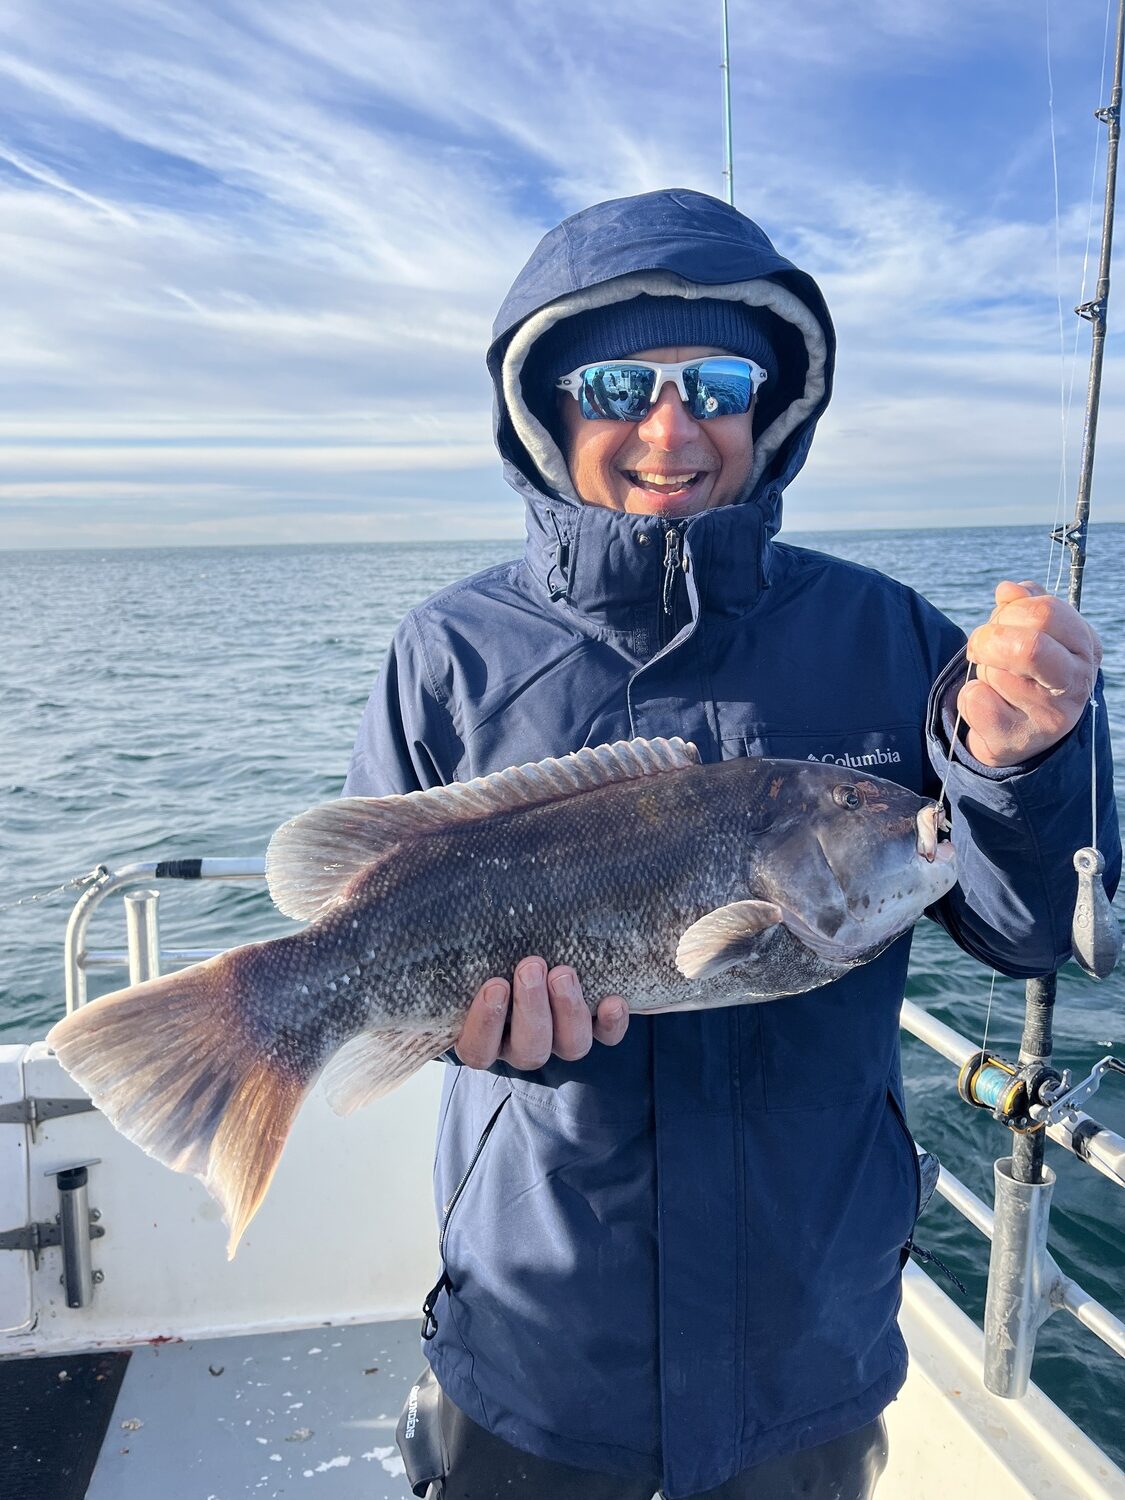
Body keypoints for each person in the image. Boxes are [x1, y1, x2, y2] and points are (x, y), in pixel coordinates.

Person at [344, 189, 1119, 1500]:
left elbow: (1031, 930)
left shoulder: (890, 636)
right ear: (544, 404)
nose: (670, 427)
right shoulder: (447, 653)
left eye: (715, 380)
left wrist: (1022, 761)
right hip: (538, 1322)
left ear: (772, 405)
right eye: (612, 383)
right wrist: (452, 1026)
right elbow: (380, 923)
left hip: (809, 1326)